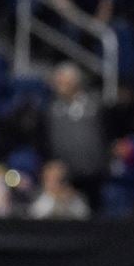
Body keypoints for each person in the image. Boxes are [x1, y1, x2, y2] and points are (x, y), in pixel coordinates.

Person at [46, 63, 106, 209]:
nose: (58, 85)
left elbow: (106, 134)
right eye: (57, 82)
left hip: (94, 174)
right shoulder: (52, 110)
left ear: (74, 82)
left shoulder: (95, 106)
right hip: (65, 175)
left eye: (62, 81)